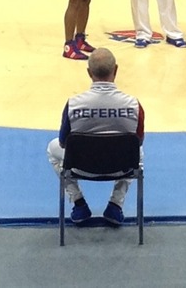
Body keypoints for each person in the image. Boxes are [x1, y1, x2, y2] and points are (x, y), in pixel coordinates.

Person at [47, 47, 145, 225]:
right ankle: (116, 204)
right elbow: (138, 141)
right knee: (139, 152)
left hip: (80, 166)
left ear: (89, 73)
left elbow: (62, 143)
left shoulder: (73, 105)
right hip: (122, 166)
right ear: (116, 70)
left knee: (52, 148)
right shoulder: (134, 105)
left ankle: (78, 203)